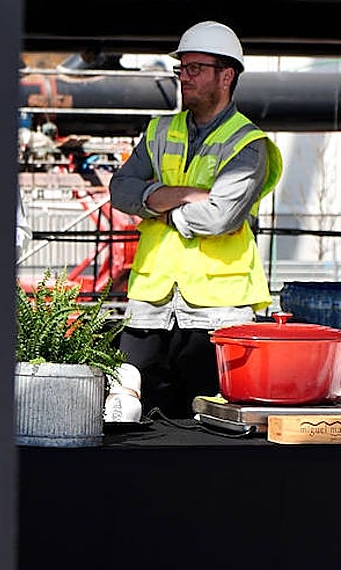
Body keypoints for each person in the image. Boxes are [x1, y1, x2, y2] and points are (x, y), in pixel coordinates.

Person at [109, 21, 282, 416]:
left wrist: (153, 205)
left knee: (209, 422)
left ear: (227, 75)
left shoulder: (248, 143)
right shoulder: (159, 130)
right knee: (135, 415)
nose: (184, 78)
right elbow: (120, 190)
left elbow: (220, 217)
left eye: (195, 69)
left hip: (216, 313)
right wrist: (183, 196)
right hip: (151, 306)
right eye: (181, 69)